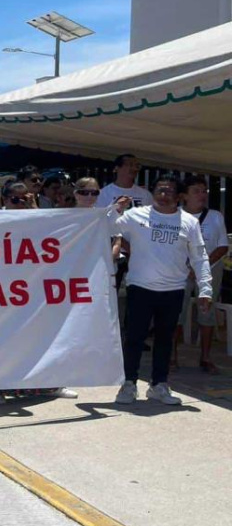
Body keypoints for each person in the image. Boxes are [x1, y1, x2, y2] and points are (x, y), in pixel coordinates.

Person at [110, 174, 212, 406]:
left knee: (165, 340)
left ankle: (159, 385)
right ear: (152, 193)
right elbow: (105, 227)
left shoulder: (189, 222)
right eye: (160, 191)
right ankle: (129, 384)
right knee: (134, 339)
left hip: (174, 290)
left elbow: (199, 257)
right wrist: (113, 210)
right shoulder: (135, 215)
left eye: (169, 192)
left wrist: (205, 289)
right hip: (140, 288)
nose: (164, 196)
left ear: (179, 197)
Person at [0, 180, 77, 405]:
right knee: (7, 340)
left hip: (35, 288)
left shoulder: (38, 215)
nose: (19, 203)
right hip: (5, 290)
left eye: (24, 198)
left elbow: (54, 235)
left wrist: (34, 207)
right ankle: (0, 388)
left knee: (41, 337)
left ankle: (49, 384)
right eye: (14, 199)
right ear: (5, 199)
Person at [178, 175, 228, 374]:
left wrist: (201, 266)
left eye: (204, 190)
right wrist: (187, 267)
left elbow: (222, 246)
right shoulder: (175, 215)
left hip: (210, 266)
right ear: (184, 196)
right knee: (176, 311)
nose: (202, 195)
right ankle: (171, 356)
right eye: (196, 191)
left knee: (206, 311)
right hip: (180, 268)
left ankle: (205, 357)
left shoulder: (215, 216)